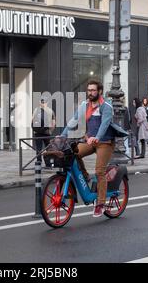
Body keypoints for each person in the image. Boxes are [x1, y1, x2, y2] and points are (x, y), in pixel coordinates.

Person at [61, 79, 128, 217]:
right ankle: (85, 176)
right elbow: (73, 121)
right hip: (90, 141)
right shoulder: (85, 105)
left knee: (99, 171)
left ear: (100, 91)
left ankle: (100, 203)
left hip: (104, 142)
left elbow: (104, 125)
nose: (90, 93)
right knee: (74, 153)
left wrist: (96, 137)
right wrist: (61, 136)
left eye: (93, 90)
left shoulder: (106, 106)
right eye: (89, 90)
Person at [32, 97, 56, 167]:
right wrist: (50, 131)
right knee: (48, 148)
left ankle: (38, 163)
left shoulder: (36, 110)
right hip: (47, 133)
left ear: (40, 102)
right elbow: (53, 123)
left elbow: (32, 121)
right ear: (47, 102)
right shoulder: (51, 111)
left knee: (38, 148)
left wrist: (35, 130)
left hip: (38, 133)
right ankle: (49, 164)